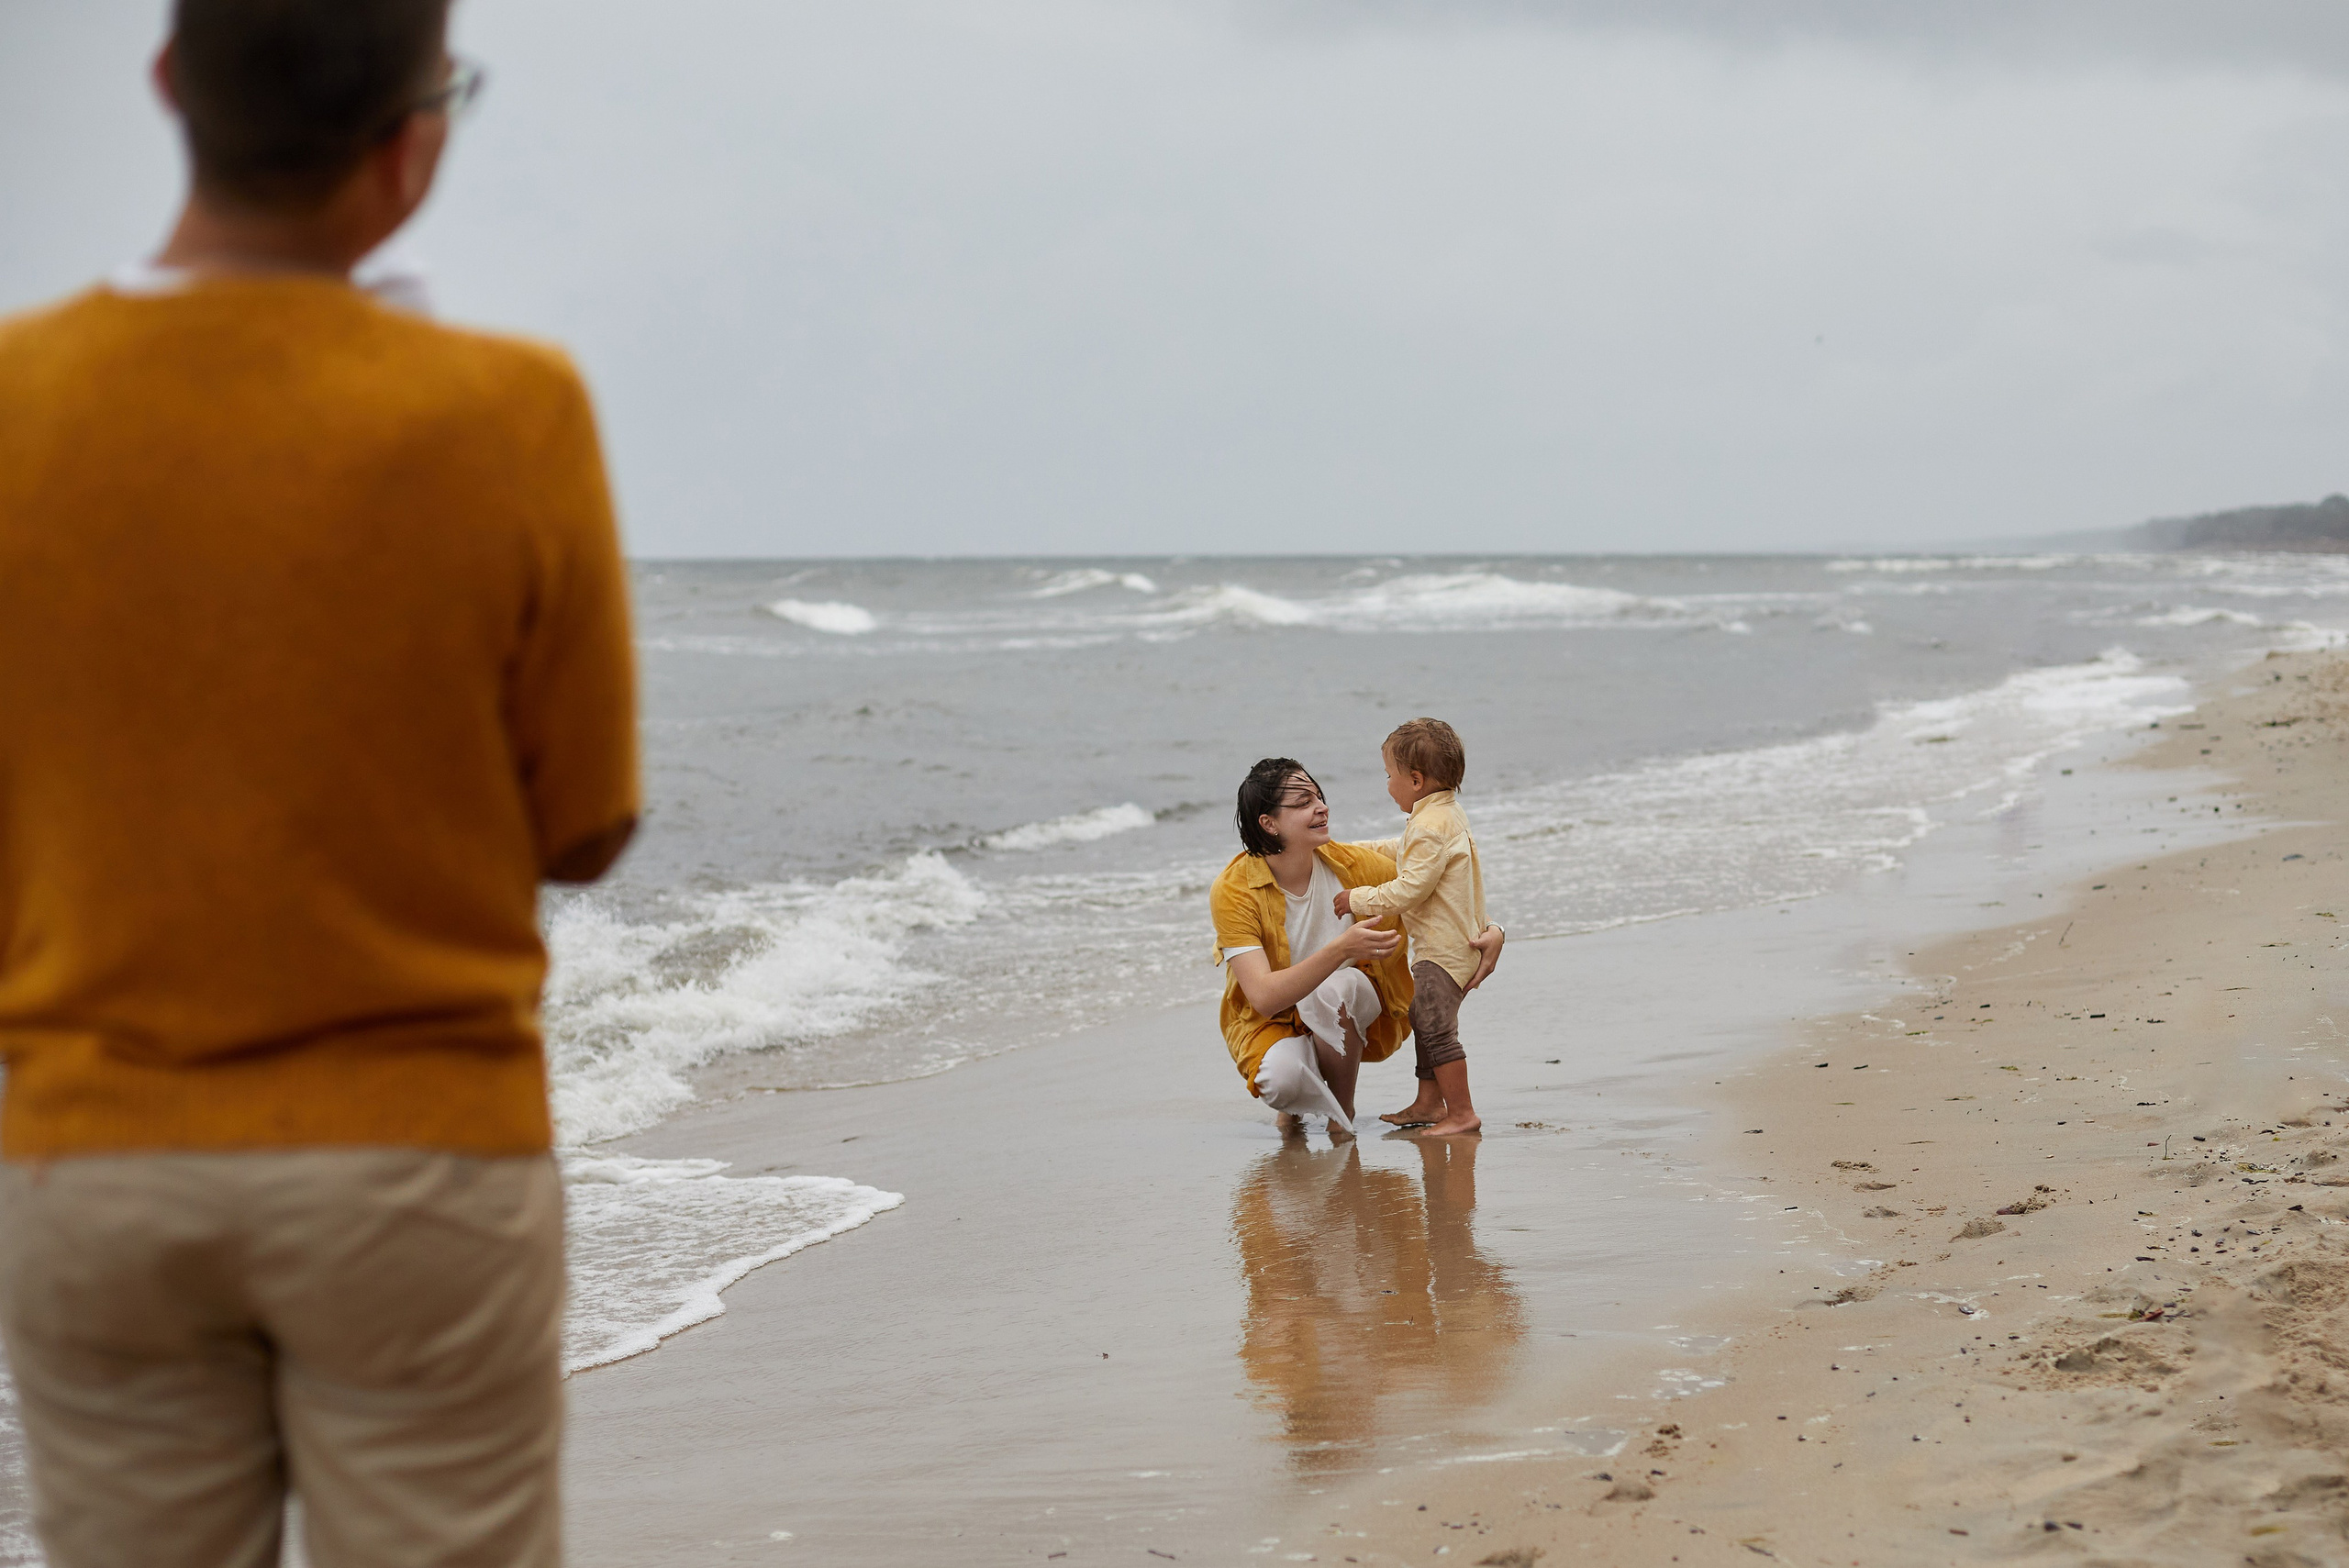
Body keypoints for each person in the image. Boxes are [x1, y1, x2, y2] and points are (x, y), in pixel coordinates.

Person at [0, 3, 637, 1565]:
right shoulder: (506, 407)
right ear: (415, 132)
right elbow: (587, 821)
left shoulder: (18, 396)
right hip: (417, 1151)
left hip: (94, 1150)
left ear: (166, 84)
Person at [1334, 718, 1503, 1137]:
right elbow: (1404, 850)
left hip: (1443, 950)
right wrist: (1352, 851)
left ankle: (1462, 1113)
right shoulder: (1443, 815)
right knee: (1423, 1015)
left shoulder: (1429, 825)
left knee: (1434, 1023)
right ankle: (1429, 1102)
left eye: (1389, 776)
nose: (1387, 784)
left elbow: (1409, 890)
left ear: (1415, 779)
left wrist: (1355, 899)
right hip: (1452, 944)